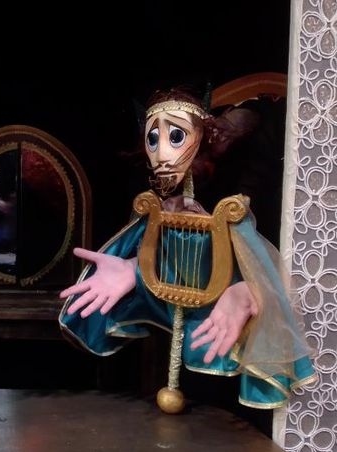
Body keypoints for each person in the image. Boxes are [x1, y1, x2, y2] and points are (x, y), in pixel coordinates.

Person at [58, 86, 316, 411]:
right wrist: (137, 268)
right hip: (184, 364)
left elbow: (269, 254)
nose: (162, 153)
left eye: (176, 136)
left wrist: (250, 288)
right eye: (153, 140)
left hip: (238, 366)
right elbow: (179, 275)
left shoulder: (248, 181)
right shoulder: (158, 204)